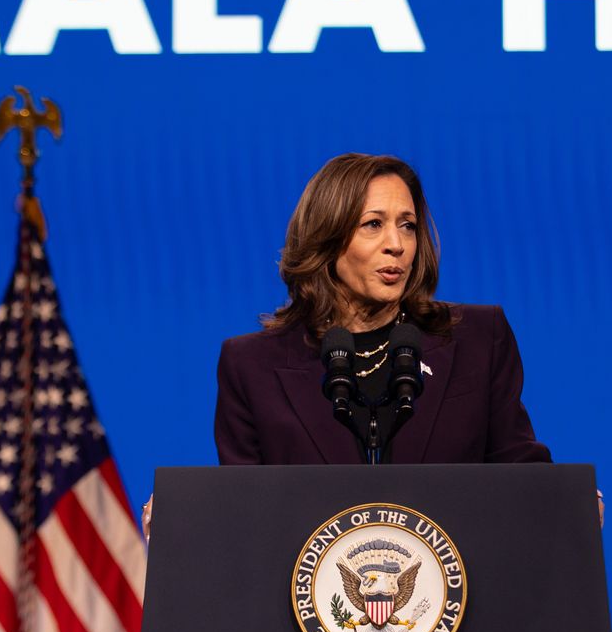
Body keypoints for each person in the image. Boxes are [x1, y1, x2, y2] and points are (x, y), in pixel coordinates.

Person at [213, 153, 553, 466]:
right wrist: (176, 517)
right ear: (326, 238)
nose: (397, 244)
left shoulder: (478, 339)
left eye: (408, 225)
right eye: (373, 224)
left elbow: (520, 471)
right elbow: (241, 508)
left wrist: (570, 501)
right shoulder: (252, 367)